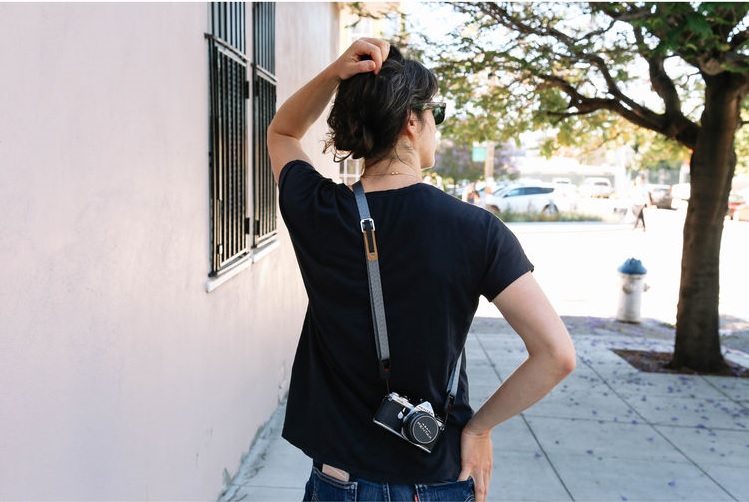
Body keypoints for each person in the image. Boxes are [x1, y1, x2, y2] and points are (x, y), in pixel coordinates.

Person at [267, 38, 576, 502]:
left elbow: (283, 132)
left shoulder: (317, 209)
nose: (437, 126)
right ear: (412, 121)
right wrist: (479, 429)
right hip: (436, 478)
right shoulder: (478, 231)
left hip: (339, 479)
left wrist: (336, 72)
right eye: (437, 113)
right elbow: (556, 354)